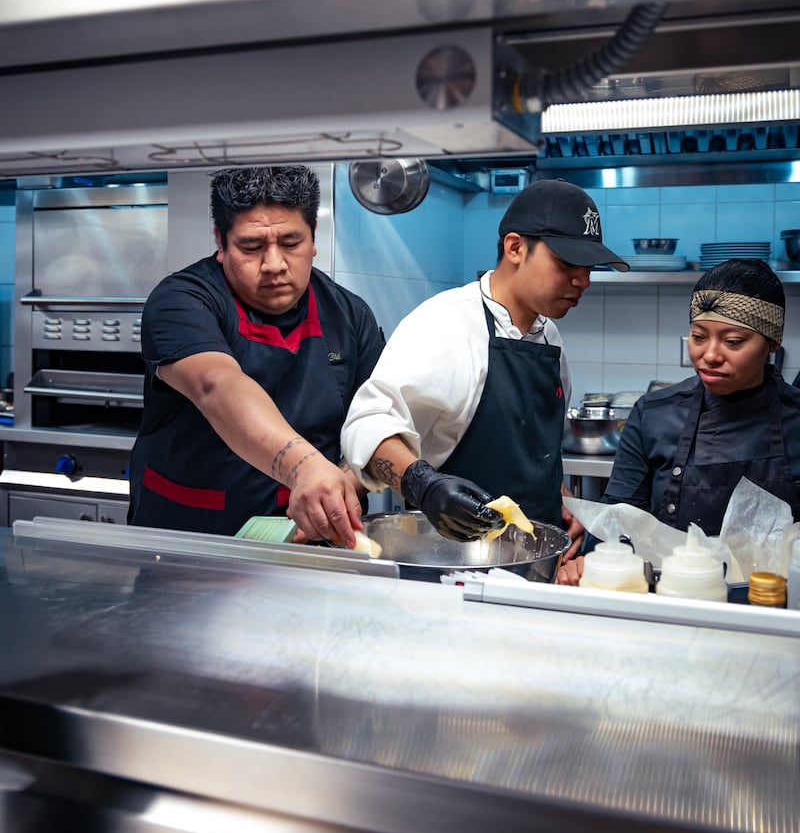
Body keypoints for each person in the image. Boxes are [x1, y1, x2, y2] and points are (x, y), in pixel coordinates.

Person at [340, 178, 628, 547]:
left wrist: (560, 496)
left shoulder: (549, 336)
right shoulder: (445, 323)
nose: (583, 281)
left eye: (590, 268)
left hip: (534, 557)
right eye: (568, 262)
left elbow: (532, 450)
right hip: (454, 558)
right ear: (515, 248)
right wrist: (423, 485)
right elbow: (369, 423)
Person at [127, 165, 384, 543]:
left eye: (291, 243)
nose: (274, 265)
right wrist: (307, 468)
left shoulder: (349, 314)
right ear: (221, 241)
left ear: (314, 238)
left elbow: (374, 421)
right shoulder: (182, 301)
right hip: (190, 539)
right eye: (252, 246)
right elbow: (217, 385)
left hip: (305, 547)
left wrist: (334, 495)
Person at [558, 258, 800, 584]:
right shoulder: (655, 413)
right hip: (671, 596)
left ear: (772, 343)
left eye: (732, 342)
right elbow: (616, 520)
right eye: (699, 337)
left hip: (774, 606)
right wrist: (591, 561)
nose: (710, 354)